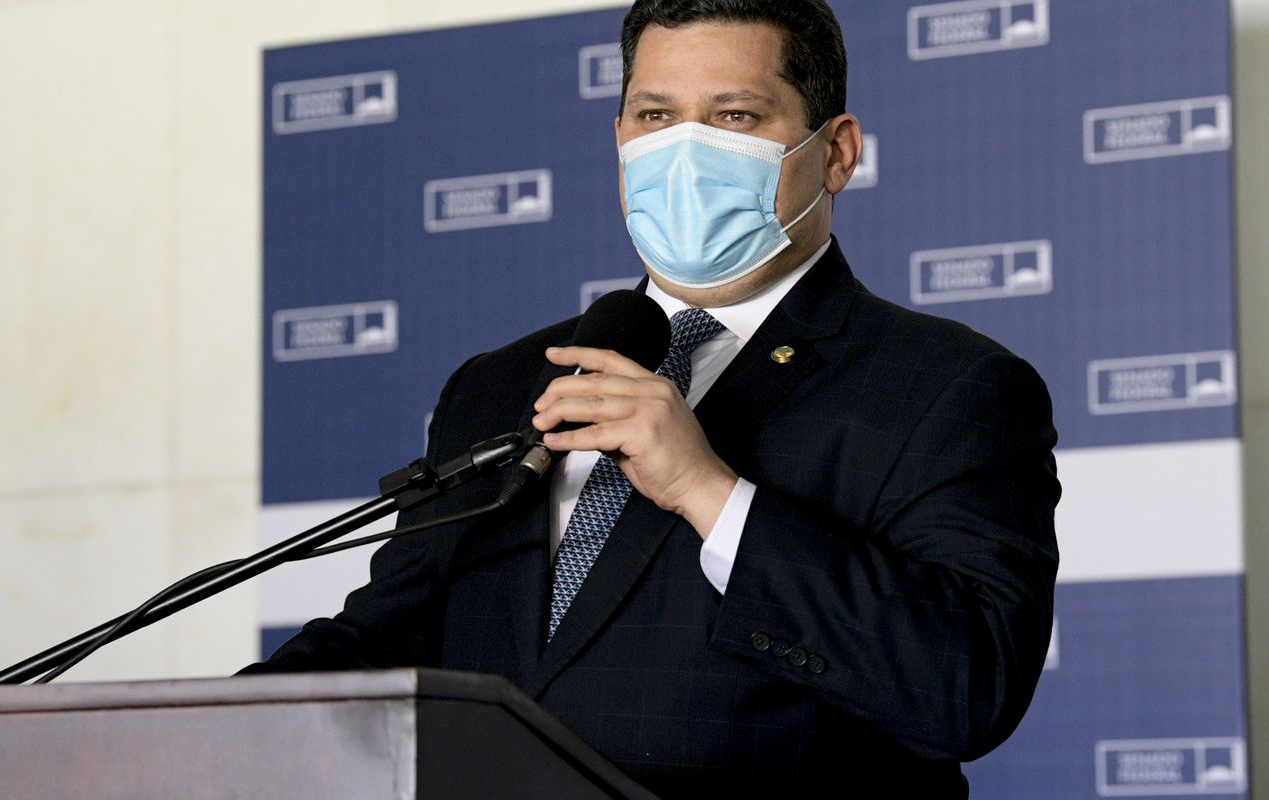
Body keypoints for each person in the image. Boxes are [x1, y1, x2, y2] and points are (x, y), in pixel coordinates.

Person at [245, 1, 1060, 795]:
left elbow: (967, 687)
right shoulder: (500, 384)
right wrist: (215, 722)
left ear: (837, 153)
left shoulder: (949, 386)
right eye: (656, 115)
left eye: (735, 116)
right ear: (620, 138)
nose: (684, 150)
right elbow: (388, 638)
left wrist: (710, 493)